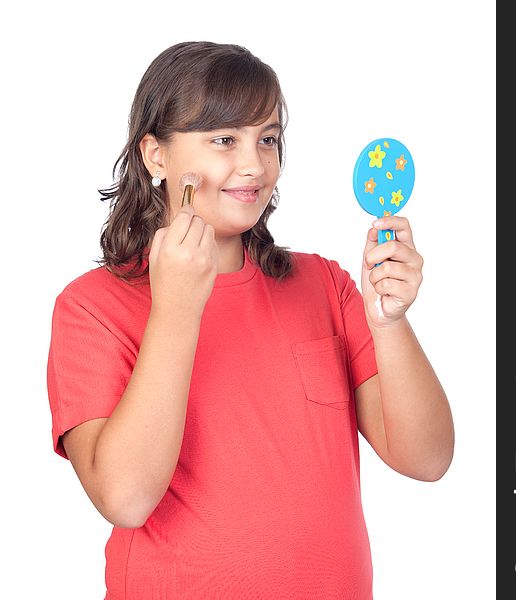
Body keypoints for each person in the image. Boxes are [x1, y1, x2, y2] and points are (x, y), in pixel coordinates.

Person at [46, 41, 454, 599]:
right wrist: (176, 312)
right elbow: (125, 498)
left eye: (268, 139)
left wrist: (388, 324)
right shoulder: (92, 307)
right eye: (223, 139)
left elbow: (428, 459)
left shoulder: (323, 286)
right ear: (155, 156)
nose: (253, 165)